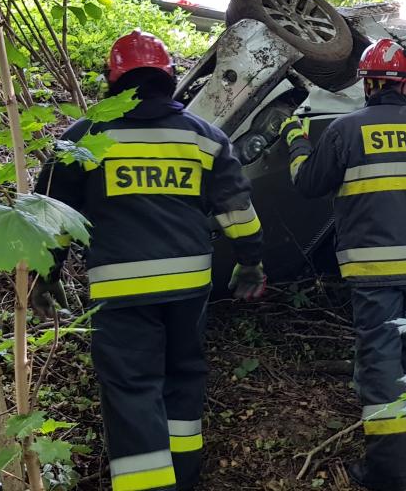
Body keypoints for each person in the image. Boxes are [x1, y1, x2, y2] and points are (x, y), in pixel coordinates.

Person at [33, 30, 268, 491]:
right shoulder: (205, 138)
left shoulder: (84, 139)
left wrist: (47, 276)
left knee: (132, 391)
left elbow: (54, 218)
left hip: (120, 291)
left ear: (112, 81)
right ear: (171, 79)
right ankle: (183, 480)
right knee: (183, 377)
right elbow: (237, 213)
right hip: (188, 288)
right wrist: (250, 263)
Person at [281, 38, 406, 491]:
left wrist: (296, 142)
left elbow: (307, 184)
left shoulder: (346, 131)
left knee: (380, 365)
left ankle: (387, 473)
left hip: (371, 272)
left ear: (366, 84)